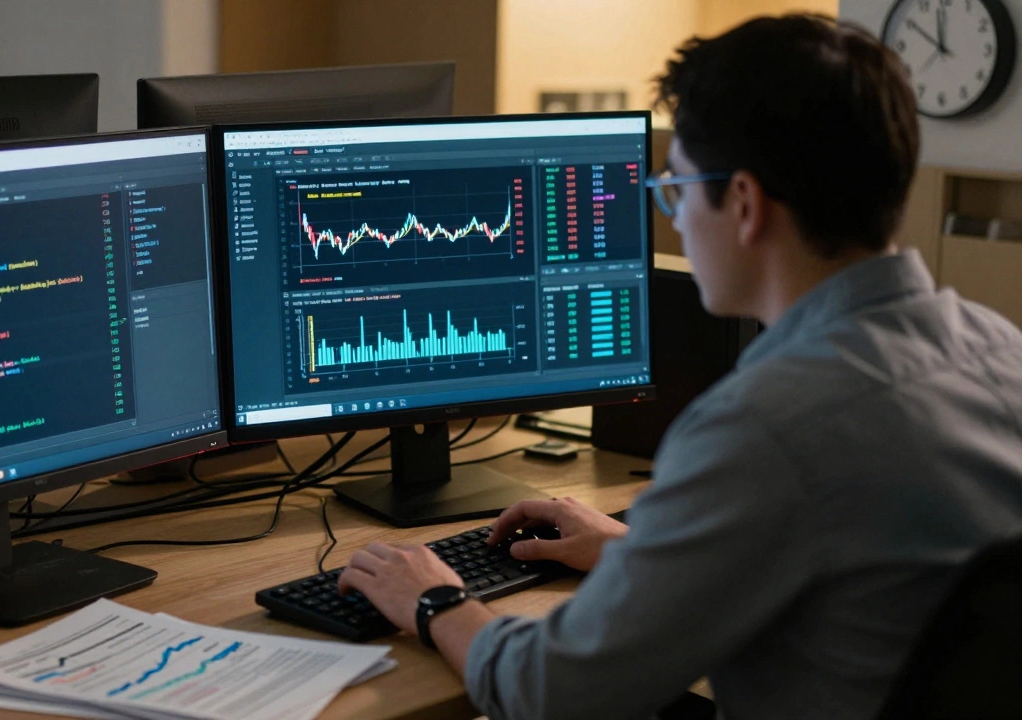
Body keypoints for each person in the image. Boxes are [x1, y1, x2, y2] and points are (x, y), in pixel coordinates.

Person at [337, 13, 1022, 720]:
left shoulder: (763, 427)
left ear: (746, 205)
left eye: (679, 190)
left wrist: (436, 600)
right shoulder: (1002, 352)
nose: (678, 219)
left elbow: (552, 693)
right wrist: (644, 555)